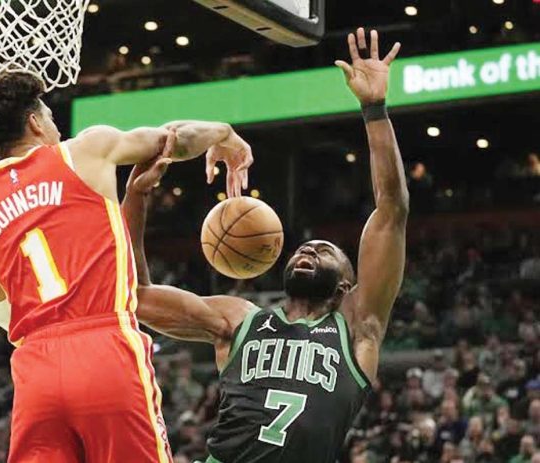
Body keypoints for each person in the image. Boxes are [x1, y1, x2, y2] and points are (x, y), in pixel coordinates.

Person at [123, 28, 407, 463]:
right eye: (305, 248)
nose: (308, 251)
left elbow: (391, 210)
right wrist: (137, 199)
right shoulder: (239, 320)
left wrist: (374, 110)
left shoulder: (357, 328)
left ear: (346, 286)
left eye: (325, 250)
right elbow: (135, 296)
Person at [0, 71, 253, 463]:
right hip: (103, 346)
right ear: (34, 121)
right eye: (50, 117)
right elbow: (171, 141)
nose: (56, 128)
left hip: (34, 368)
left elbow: (1, 310)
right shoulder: (83, 152)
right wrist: (223, 134)